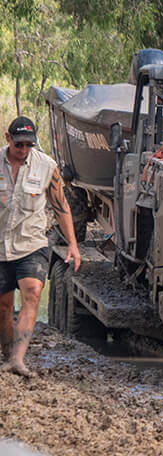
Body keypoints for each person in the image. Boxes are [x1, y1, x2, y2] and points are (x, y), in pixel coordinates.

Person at [0, 116, 81, 377]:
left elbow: (60, 206)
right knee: (3, 306)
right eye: (19, 144)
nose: (23, 150)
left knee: (33, 291)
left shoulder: (47, 167)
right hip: (1, 244)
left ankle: (18, 359)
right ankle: (8, 352)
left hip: (32, 243)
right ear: (7, 138)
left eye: (28, 145)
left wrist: (72, 244)